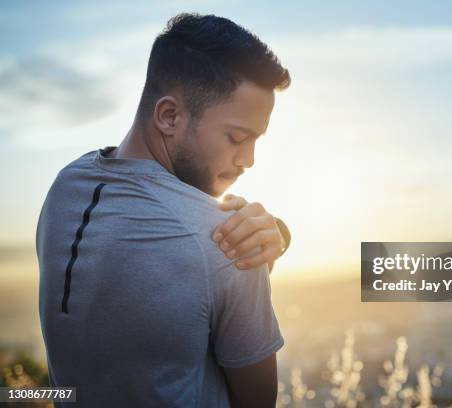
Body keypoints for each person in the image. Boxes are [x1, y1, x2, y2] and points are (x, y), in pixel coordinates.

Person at [36, 13, 291, 408]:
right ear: (169, 116)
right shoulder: (229, 245)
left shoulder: (64, 188)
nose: (249, 160)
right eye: (238, 138)